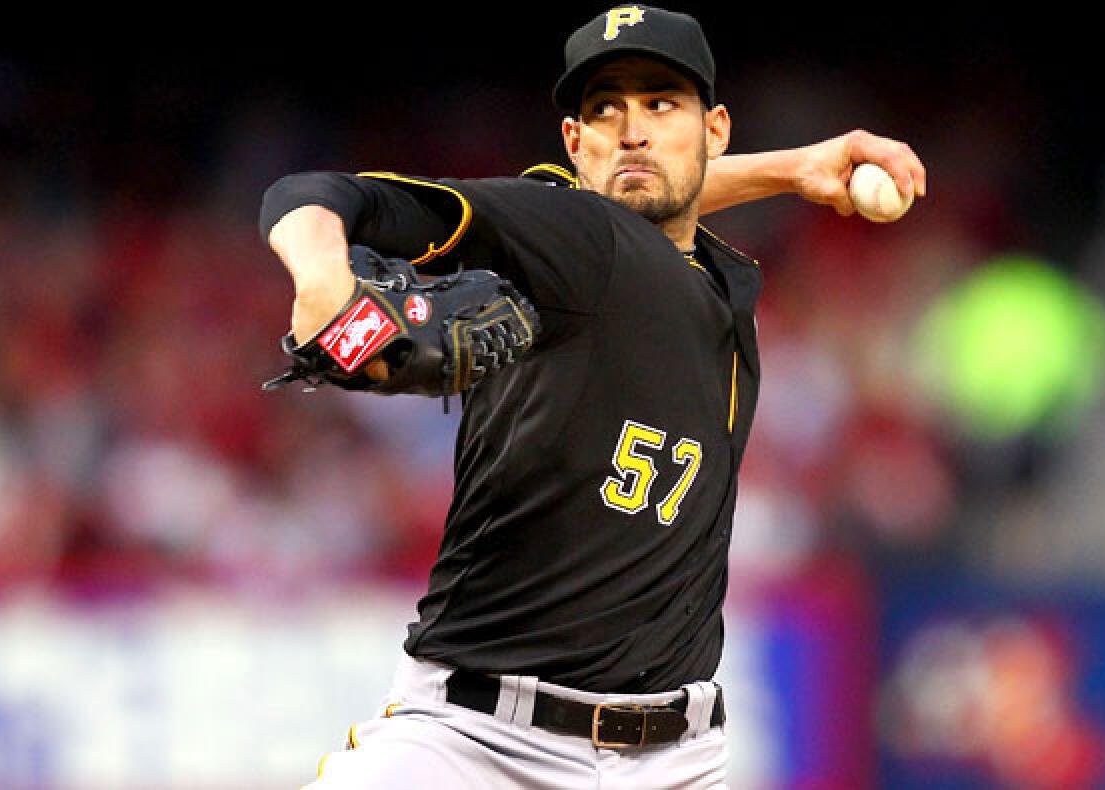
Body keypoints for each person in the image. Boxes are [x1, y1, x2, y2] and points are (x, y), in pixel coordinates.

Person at [259, 6, 925, 788]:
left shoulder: (719, 279)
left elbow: (663, 213)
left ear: (714, 129)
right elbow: (317, 192)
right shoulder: (571, 232)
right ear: (575, 146)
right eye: (604, 110)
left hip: (678, 758)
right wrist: (321, 278)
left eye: (659, 103)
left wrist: (793, 168)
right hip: (476, 748)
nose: (632, 129)